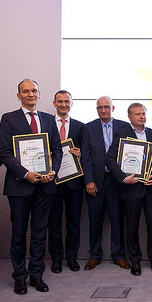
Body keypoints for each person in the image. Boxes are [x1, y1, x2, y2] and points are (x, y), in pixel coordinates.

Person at [0, 79, 62, 295]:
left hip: (45, 186)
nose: (30, 94)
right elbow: (4, 152)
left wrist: (52, 171)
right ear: (19, 96)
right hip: (19, 187)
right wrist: (26, 174)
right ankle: (19, 276)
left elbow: (57, 150)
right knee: (18, 234)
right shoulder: (8, 119)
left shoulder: (48, 119)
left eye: (34, 90)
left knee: (39, 234)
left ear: (39, 94)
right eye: (25, 91)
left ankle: (36, 275)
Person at [106, 103, 152, 276]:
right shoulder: (121, 134)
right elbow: (109, 159)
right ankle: (135, 261)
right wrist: (123, 178)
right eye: (137, 114)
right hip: (131, 189)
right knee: (132, 227)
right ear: (129, 117)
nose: (141, 117)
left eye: (143, 113)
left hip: (151, 188)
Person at [80, 96, 131, 271]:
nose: (103, 110)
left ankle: (118, 255)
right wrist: (89, 180)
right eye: (100, 107)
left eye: (107, 107)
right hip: (96, 181)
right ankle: (94, 255)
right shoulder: (88, 128)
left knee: (117, 219)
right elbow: (85, 156)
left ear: (113, 108)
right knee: (95, 220)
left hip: (117, 181)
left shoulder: (124, 126)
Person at [47, 90, 85, 273]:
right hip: (52, 181)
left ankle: (71, 257)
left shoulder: (80, 126)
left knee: (73, 222)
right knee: (53, 223)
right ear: (54, 103)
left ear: (71, 103)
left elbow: (87, 150)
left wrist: (80, 153)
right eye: (60, 101)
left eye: (67, 101)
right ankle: (56, 259)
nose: (63, 105)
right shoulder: (46, 123)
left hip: (74, 182)